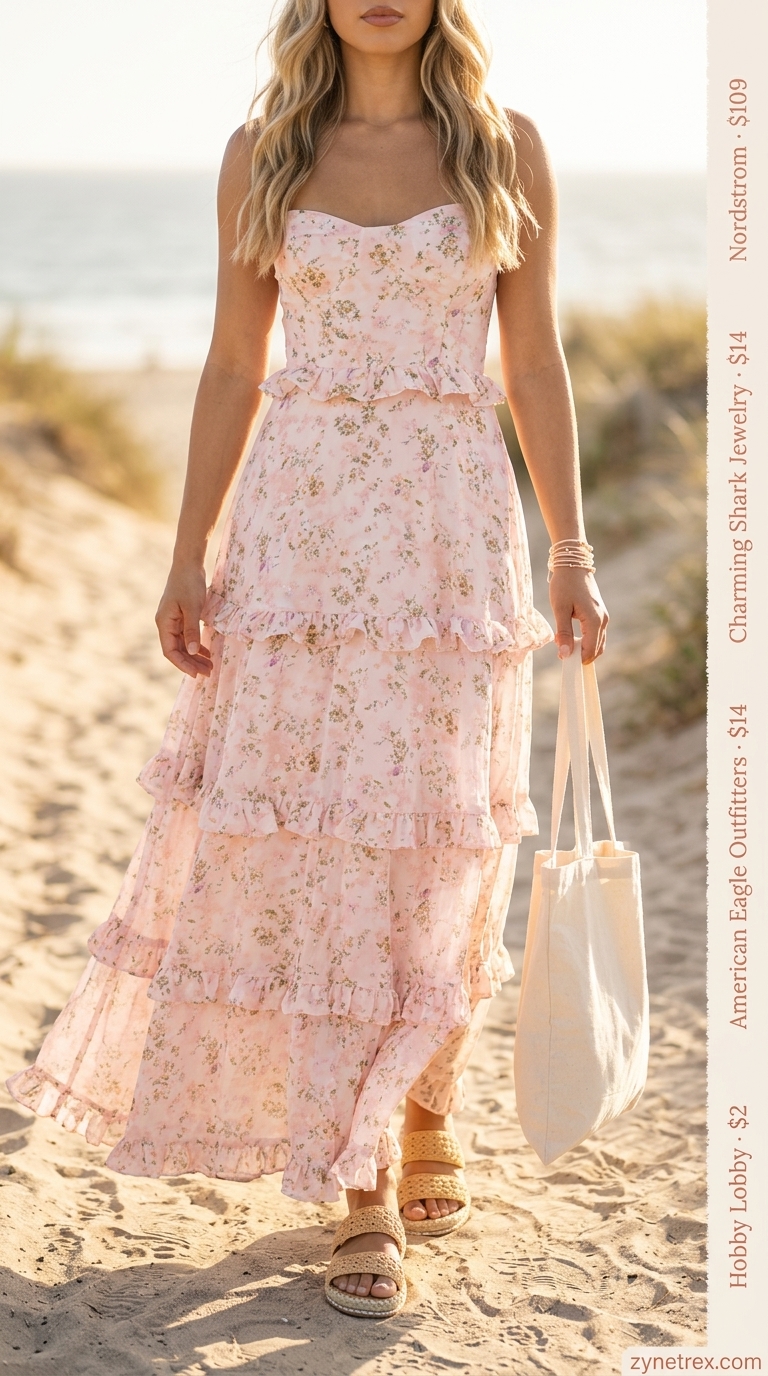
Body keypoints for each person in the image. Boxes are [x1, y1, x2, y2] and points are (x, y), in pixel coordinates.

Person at [8, 0, 608, 1318]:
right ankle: (364, 1186)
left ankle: (425, 1096)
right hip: (303, 540)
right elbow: (232, 362)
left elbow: (535, 357)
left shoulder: (505, 146)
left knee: (441, 835)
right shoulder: (265, 149)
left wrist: (571, 548)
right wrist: (188, 552)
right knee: (327, 846)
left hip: (452, 539)